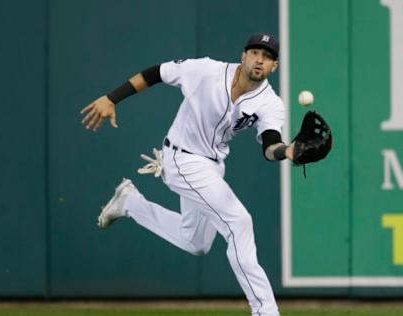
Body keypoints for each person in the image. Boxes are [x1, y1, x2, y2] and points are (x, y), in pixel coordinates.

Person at [81, 33, 294, 316]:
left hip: (212, 166)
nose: (259, 59)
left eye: (267, 57)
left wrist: (289, 152)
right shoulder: (206, 70)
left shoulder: (270, 103)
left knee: (195, 242)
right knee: (239, 222)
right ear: (243, 55)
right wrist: (111, 98)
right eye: (255, 52)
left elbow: (270, 145)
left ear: (274, 67)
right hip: (181, 157)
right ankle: (266, 312)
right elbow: (156, 73)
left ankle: (130, 203)